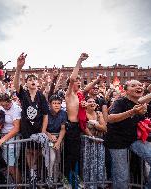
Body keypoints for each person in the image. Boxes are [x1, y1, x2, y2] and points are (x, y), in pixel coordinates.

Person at [104, 80, 151, 189]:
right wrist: (132, 112)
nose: (138, 87)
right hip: (117, 142)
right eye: (133, 85)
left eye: (140, 85)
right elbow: (110, 118)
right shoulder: (120, 102)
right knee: (122, 178)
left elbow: (144, 124)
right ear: (126, 91)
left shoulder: (142, 105)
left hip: (134, 139)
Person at [13, 52, 49, 186]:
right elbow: (16, 85)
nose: (33, 81)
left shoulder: (41, 96)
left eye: (35, 79)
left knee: (38, 152)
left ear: (38, 83)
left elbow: (45, 114)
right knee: (29, 151)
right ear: (27, 83)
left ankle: (39, 174)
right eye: (30, 79)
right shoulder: (23, 94)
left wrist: (43, 131)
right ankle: (32, 173)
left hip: (39, 129)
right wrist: (18, 68)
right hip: (26, 129)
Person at [64, 52, 90, 185]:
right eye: (76, 82)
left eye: (80, 82)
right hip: (70, 127)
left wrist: (85, 106)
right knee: (71, 155)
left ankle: (73, 179)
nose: (78, 84)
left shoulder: (79, 96)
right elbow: (73, 78)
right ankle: (67, 180)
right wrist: (79, 61)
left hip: (77, 127)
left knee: (76, 155)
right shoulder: (69, 94)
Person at [0, 93, 22, 184]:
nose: (5, 107)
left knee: (11, 167)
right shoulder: (0, 107)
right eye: (2, 105)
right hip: (5, 140)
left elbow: (16, 128)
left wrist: (3, 139)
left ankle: (20, 186)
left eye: (7, 105)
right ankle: (15, 183)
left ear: (10, 101)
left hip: (12, 141)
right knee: (9, 165)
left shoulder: (16, 109)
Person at [42, 94, 67, 184]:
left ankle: (55, 179)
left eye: (59, 103)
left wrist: (58, 142)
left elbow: (63, 129)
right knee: (51, 158)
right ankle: (49, 177)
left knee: (58, 159)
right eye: (54, 103)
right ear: (50, 104)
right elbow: (43, 129)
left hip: (59, 138)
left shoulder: (63, 113)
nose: (56, 105)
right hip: (48, 139)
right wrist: (49, 136)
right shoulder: (46, 113)